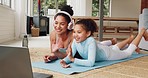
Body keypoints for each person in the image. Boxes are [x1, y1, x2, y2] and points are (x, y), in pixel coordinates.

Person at [60, 19, 148, 68]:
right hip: (106, 49)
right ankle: (130, 39)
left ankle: (142, 32)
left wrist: (73, 60)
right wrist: (64, 61)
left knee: (128, 53)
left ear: (88, 33)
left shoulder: (90, 41)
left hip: (108, 55)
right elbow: (71, 55)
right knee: (115, 47)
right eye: (74, 32)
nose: (75, 35)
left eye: (79, 32)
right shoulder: (76, 41)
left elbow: (91, 63)